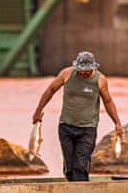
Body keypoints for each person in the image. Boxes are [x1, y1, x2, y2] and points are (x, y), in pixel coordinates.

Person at [32, 51, 122, 181]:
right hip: (66, 127)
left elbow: (108, 101)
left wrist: (117, 122)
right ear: (76, 67)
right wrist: (38, 111)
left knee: (80, 165)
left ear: (93, 67)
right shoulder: (67, 74)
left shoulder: (100, 80)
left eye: (87, 70)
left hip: (88, 129)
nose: (84, 73)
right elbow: (50, 90)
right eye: (81, 70)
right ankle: (72, 190)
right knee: (69, 167)